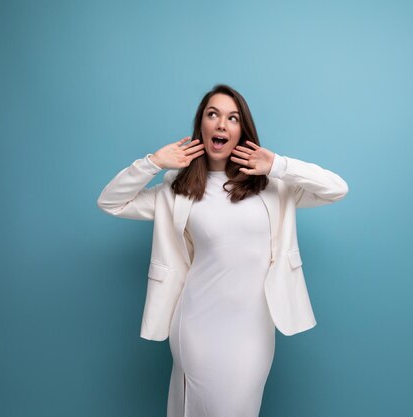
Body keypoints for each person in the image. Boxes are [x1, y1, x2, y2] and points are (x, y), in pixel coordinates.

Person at [97, 84, 348, 417]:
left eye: (232, 118)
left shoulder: (273, 186)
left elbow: (337, 189)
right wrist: (152, 163)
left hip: (254, 329)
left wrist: (278, 164)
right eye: (212, 114)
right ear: (200, 124)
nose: (221, 124)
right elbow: (111, 201)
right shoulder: (178, 189)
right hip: (196, 325)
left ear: (242, 130)